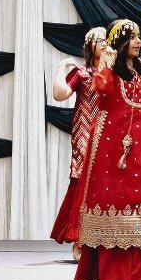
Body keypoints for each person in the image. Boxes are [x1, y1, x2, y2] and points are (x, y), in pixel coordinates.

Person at [74, 19, 141, 280]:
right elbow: (100, 87)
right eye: (132, 37)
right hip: (110, 151)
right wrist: (106, 60)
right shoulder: (112, 76)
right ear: (120, 43)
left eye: (140, 37)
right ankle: (113, 277)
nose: (138, 41)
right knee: (112, 204)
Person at [50, 27, 106, 260]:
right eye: (99, 40)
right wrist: (61, 68)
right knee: (83, 183)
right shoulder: (83, 74)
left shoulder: (113, 74)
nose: (103, 44)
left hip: (107, 131)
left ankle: (104, 239)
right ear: (90, 45)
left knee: (105, 185)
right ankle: (80, 239)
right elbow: (59, 95)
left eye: (106, 40)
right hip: (85, 131)